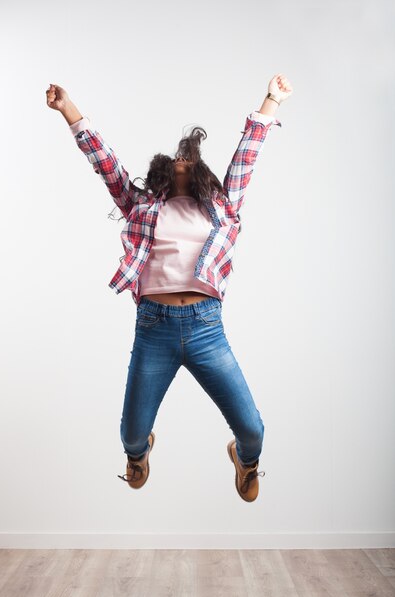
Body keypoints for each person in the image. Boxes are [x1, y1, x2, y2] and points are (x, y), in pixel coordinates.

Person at [46, 74, 293, 502]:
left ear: (200, 172)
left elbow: (248, 154)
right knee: (131, 433)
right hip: (154, 329)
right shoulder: (140, 204)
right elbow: (104, 163)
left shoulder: (221, 204)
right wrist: (69, 110)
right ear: (163, 170)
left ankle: (245, 460)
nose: (183, 159)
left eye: (190, 158)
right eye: (177, 157)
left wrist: (271, 99)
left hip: (205, 329)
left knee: (252, 429)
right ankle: (139, 455)